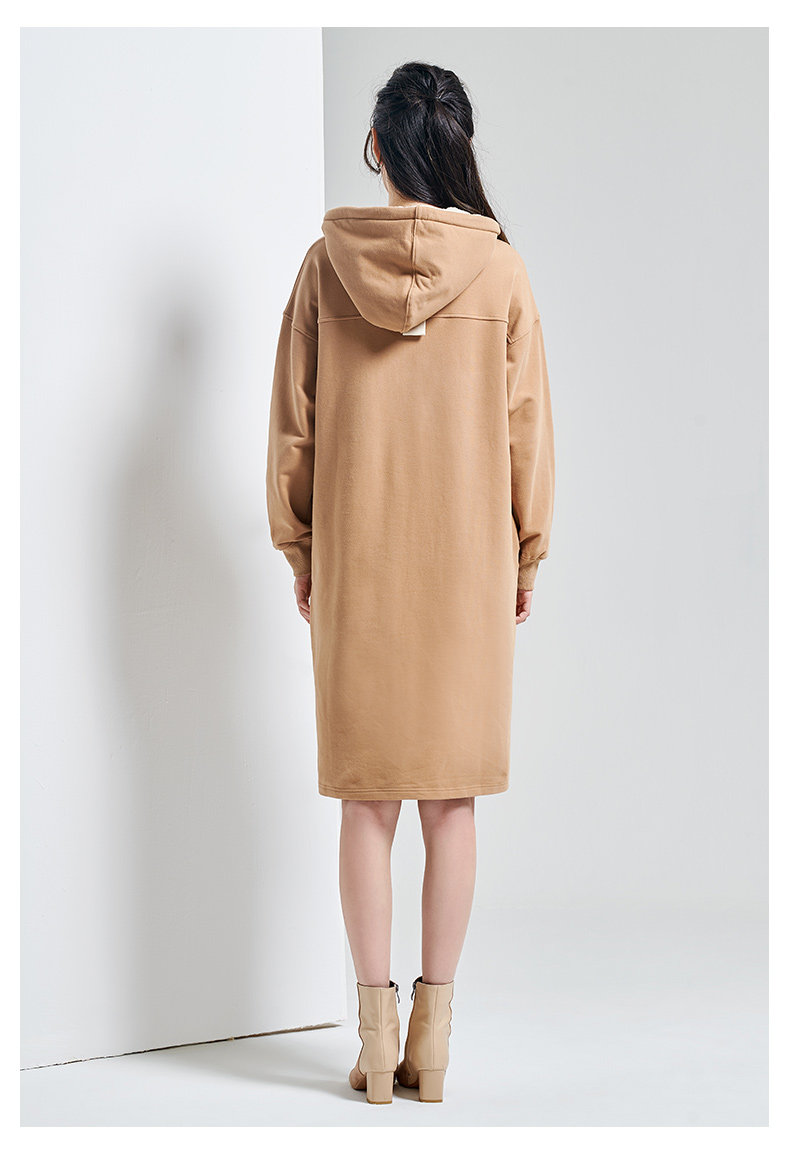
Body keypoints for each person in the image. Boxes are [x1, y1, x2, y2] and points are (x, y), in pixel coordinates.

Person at [266, 61, 555, 1104]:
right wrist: (525, 552)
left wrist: (302, 548)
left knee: (368, 801)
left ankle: (376, 1040)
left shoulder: (324, 267)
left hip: (361, 566)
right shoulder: (502, 273)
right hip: (466, 573)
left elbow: (293, 428)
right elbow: (529, 433)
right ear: (457, 146)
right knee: (450, 803)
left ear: (380, 148)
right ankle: (431, 1044)